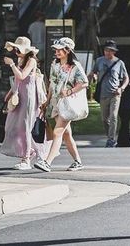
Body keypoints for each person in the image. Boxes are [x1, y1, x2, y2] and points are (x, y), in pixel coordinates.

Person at [34, 37, 89, 172]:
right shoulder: (55, 64)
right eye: (56, 49)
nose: (57, 52)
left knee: (57, 132)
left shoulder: (75, 66)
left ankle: (47, 162)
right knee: (66, 134)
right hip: (56, 103)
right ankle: (77, 161)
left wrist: (70, 91)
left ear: (68, 50)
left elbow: (84, 82)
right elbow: (52, 84)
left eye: (60, 49)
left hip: (68, 104)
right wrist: (47, 101)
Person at [0, 37, 47, 170]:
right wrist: (10, 93)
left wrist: (12, 65)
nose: (15, 51)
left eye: (17, 49)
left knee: (25, 127)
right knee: (13, 127)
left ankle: (26, 159)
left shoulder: (31, 61)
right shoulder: (21, 60)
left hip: (28, 97)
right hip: (19, 96)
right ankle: (30, 152)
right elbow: (17, 80)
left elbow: (22, 76)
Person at [91, 39, 129, 148]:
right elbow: (93, 72)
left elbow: (126, 78)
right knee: (104, 119)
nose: (108, 52)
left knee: (113, 117)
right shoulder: (99, 61)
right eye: (106, 50)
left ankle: (111, 140)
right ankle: (109, 136)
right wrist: (92, 76)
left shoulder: (119, 63)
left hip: (115, 94)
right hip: (103, 94)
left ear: (114, 52)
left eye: (110, 50)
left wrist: (121, 88)